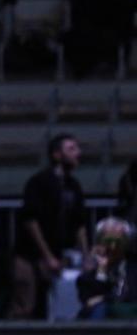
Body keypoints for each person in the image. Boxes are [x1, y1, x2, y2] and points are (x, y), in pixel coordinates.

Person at [9, 134, 88, 319]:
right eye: (71, 149)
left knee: (53, 306)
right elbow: (31, 221)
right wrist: (48, 256)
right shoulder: (39, 182)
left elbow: (80, 223)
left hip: (58, 256)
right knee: (25, 306)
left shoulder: (73, 186)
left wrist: (85, 255)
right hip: (29, 256)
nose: (78, 153)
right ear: (57, 154)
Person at [76, 217, 137, 319]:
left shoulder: (133, 268)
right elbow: (89, 302)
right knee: (100, 309)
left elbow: (129, 296)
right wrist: (101, 270)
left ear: (126, 243)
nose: (112, 246)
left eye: (118, 241)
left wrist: (104, 298)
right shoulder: (87, 278)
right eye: (108, 241)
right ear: (99, 243)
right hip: (100, 320)